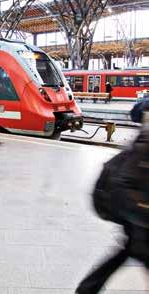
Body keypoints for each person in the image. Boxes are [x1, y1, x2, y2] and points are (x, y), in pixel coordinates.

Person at [75, 105, 149, 294]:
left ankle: (87, 289)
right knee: (132, 250)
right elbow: (126, 180)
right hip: (139, 217)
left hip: (138, 217)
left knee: (126, 252)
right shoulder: (145, 142)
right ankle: (87, 288)